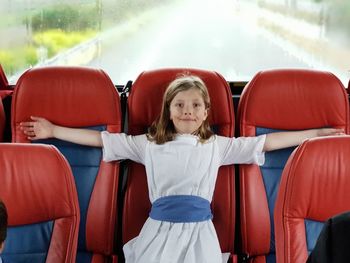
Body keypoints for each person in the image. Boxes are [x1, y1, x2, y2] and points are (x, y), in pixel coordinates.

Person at [20, 75, 344, 263]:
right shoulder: (148, 144)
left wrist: (314, 134)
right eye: (179, 105)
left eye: (195, 106)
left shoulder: (218, 146)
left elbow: (268, 143)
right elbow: (101, 140)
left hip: (199, 234)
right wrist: (54, 131)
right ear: (169, 111)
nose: (187, 111)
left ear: (206, 113)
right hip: (158, 232)